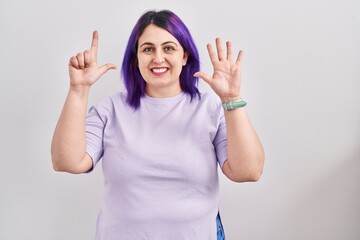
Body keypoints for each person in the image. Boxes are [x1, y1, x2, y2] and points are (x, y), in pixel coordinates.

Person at [51, 9, 264, 240]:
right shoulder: (111, 110)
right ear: (136, 59)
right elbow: (67, 162)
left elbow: (248, 171)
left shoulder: (210, 109)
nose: (158, 58)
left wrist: (231, 99)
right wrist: (78, 90)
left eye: (169, 48)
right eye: (148, 49)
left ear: (184, 56)